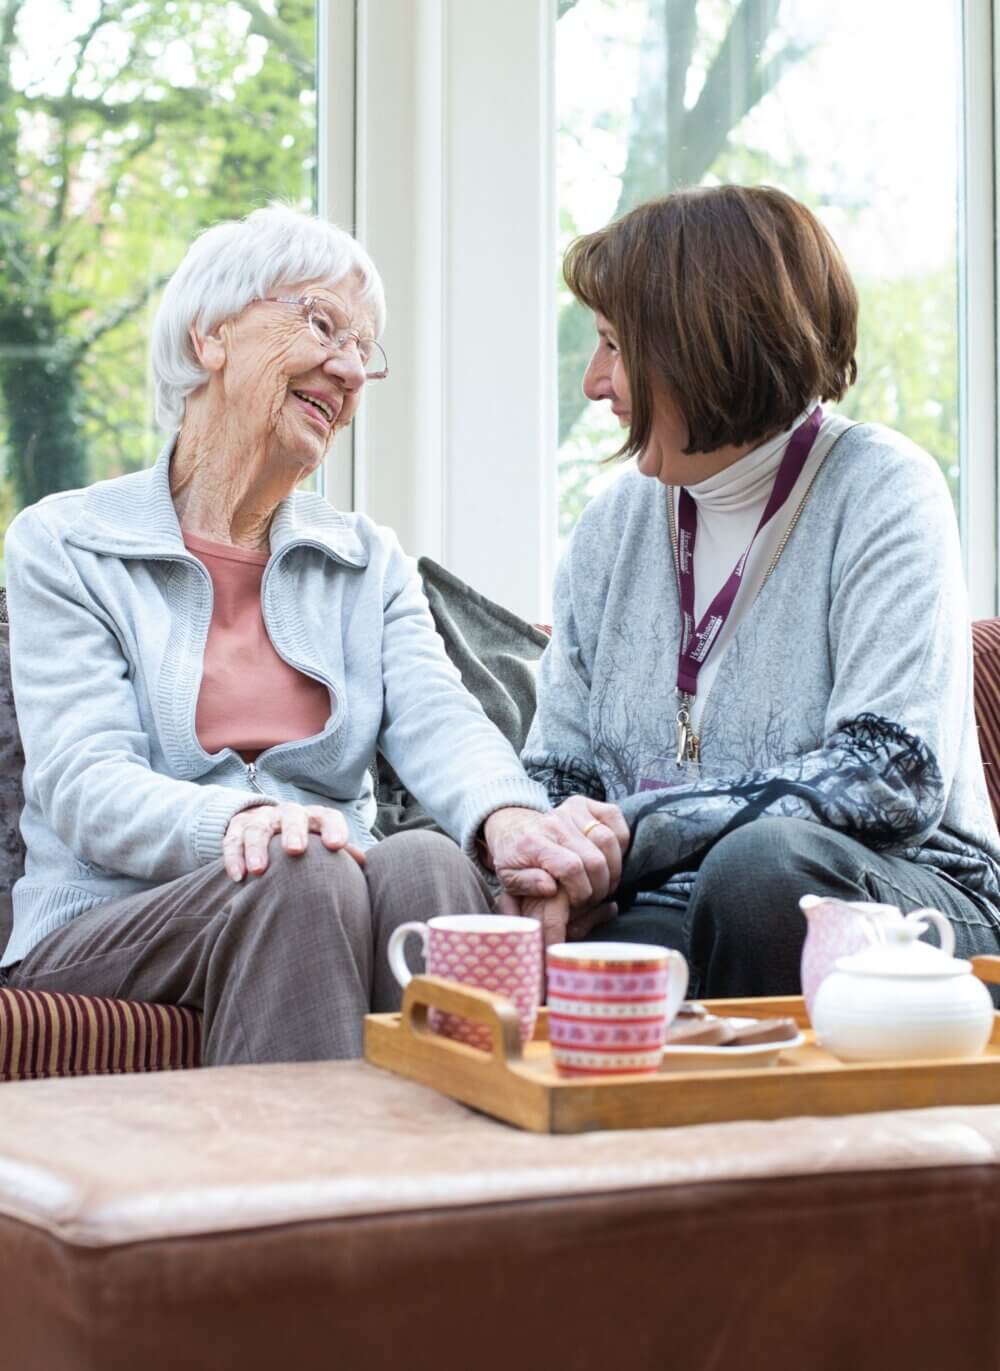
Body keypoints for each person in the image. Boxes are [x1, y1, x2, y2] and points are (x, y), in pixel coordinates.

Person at [0, 205, 627, 1063]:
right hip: (114, 918)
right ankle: (309, 1190)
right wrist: (241, 823)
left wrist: (513, 821)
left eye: (364, 350)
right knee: (296, 866)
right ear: (211, 336)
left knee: (428, 866)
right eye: (322, 323)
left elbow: (441, 720)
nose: (348, 367)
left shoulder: (367, 561)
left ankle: (455, 1190)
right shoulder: (66, 543)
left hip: (321, 885)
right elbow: (84, 779)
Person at [520, 184, 1000, 997]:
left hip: (907, 901)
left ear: (700, 346)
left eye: (614, 345)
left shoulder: (883, 489)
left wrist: (632, 830)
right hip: (670, 907)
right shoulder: (611, 527)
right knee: (510, 907)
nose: (596, 382)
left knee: (763, 871)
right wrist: (551, 848)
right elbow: (556, 771)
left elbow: (890, 776)